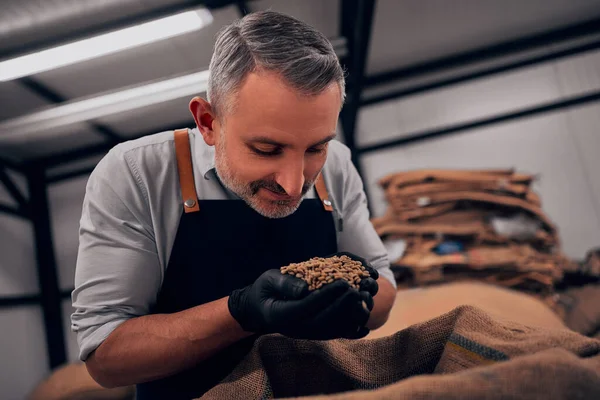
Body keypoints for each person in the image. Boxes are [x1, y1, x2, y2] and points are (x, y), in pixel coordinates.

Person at [71, 10, 397, 400]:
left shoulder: (339, 164)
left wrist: (355, 302)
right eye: (266, 149)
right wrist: (241, 312)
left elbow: (382, 283)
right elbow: (106, 358)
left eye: (315, 148)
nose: (293, 184)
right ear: (208, 122)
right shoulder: (137, 174)